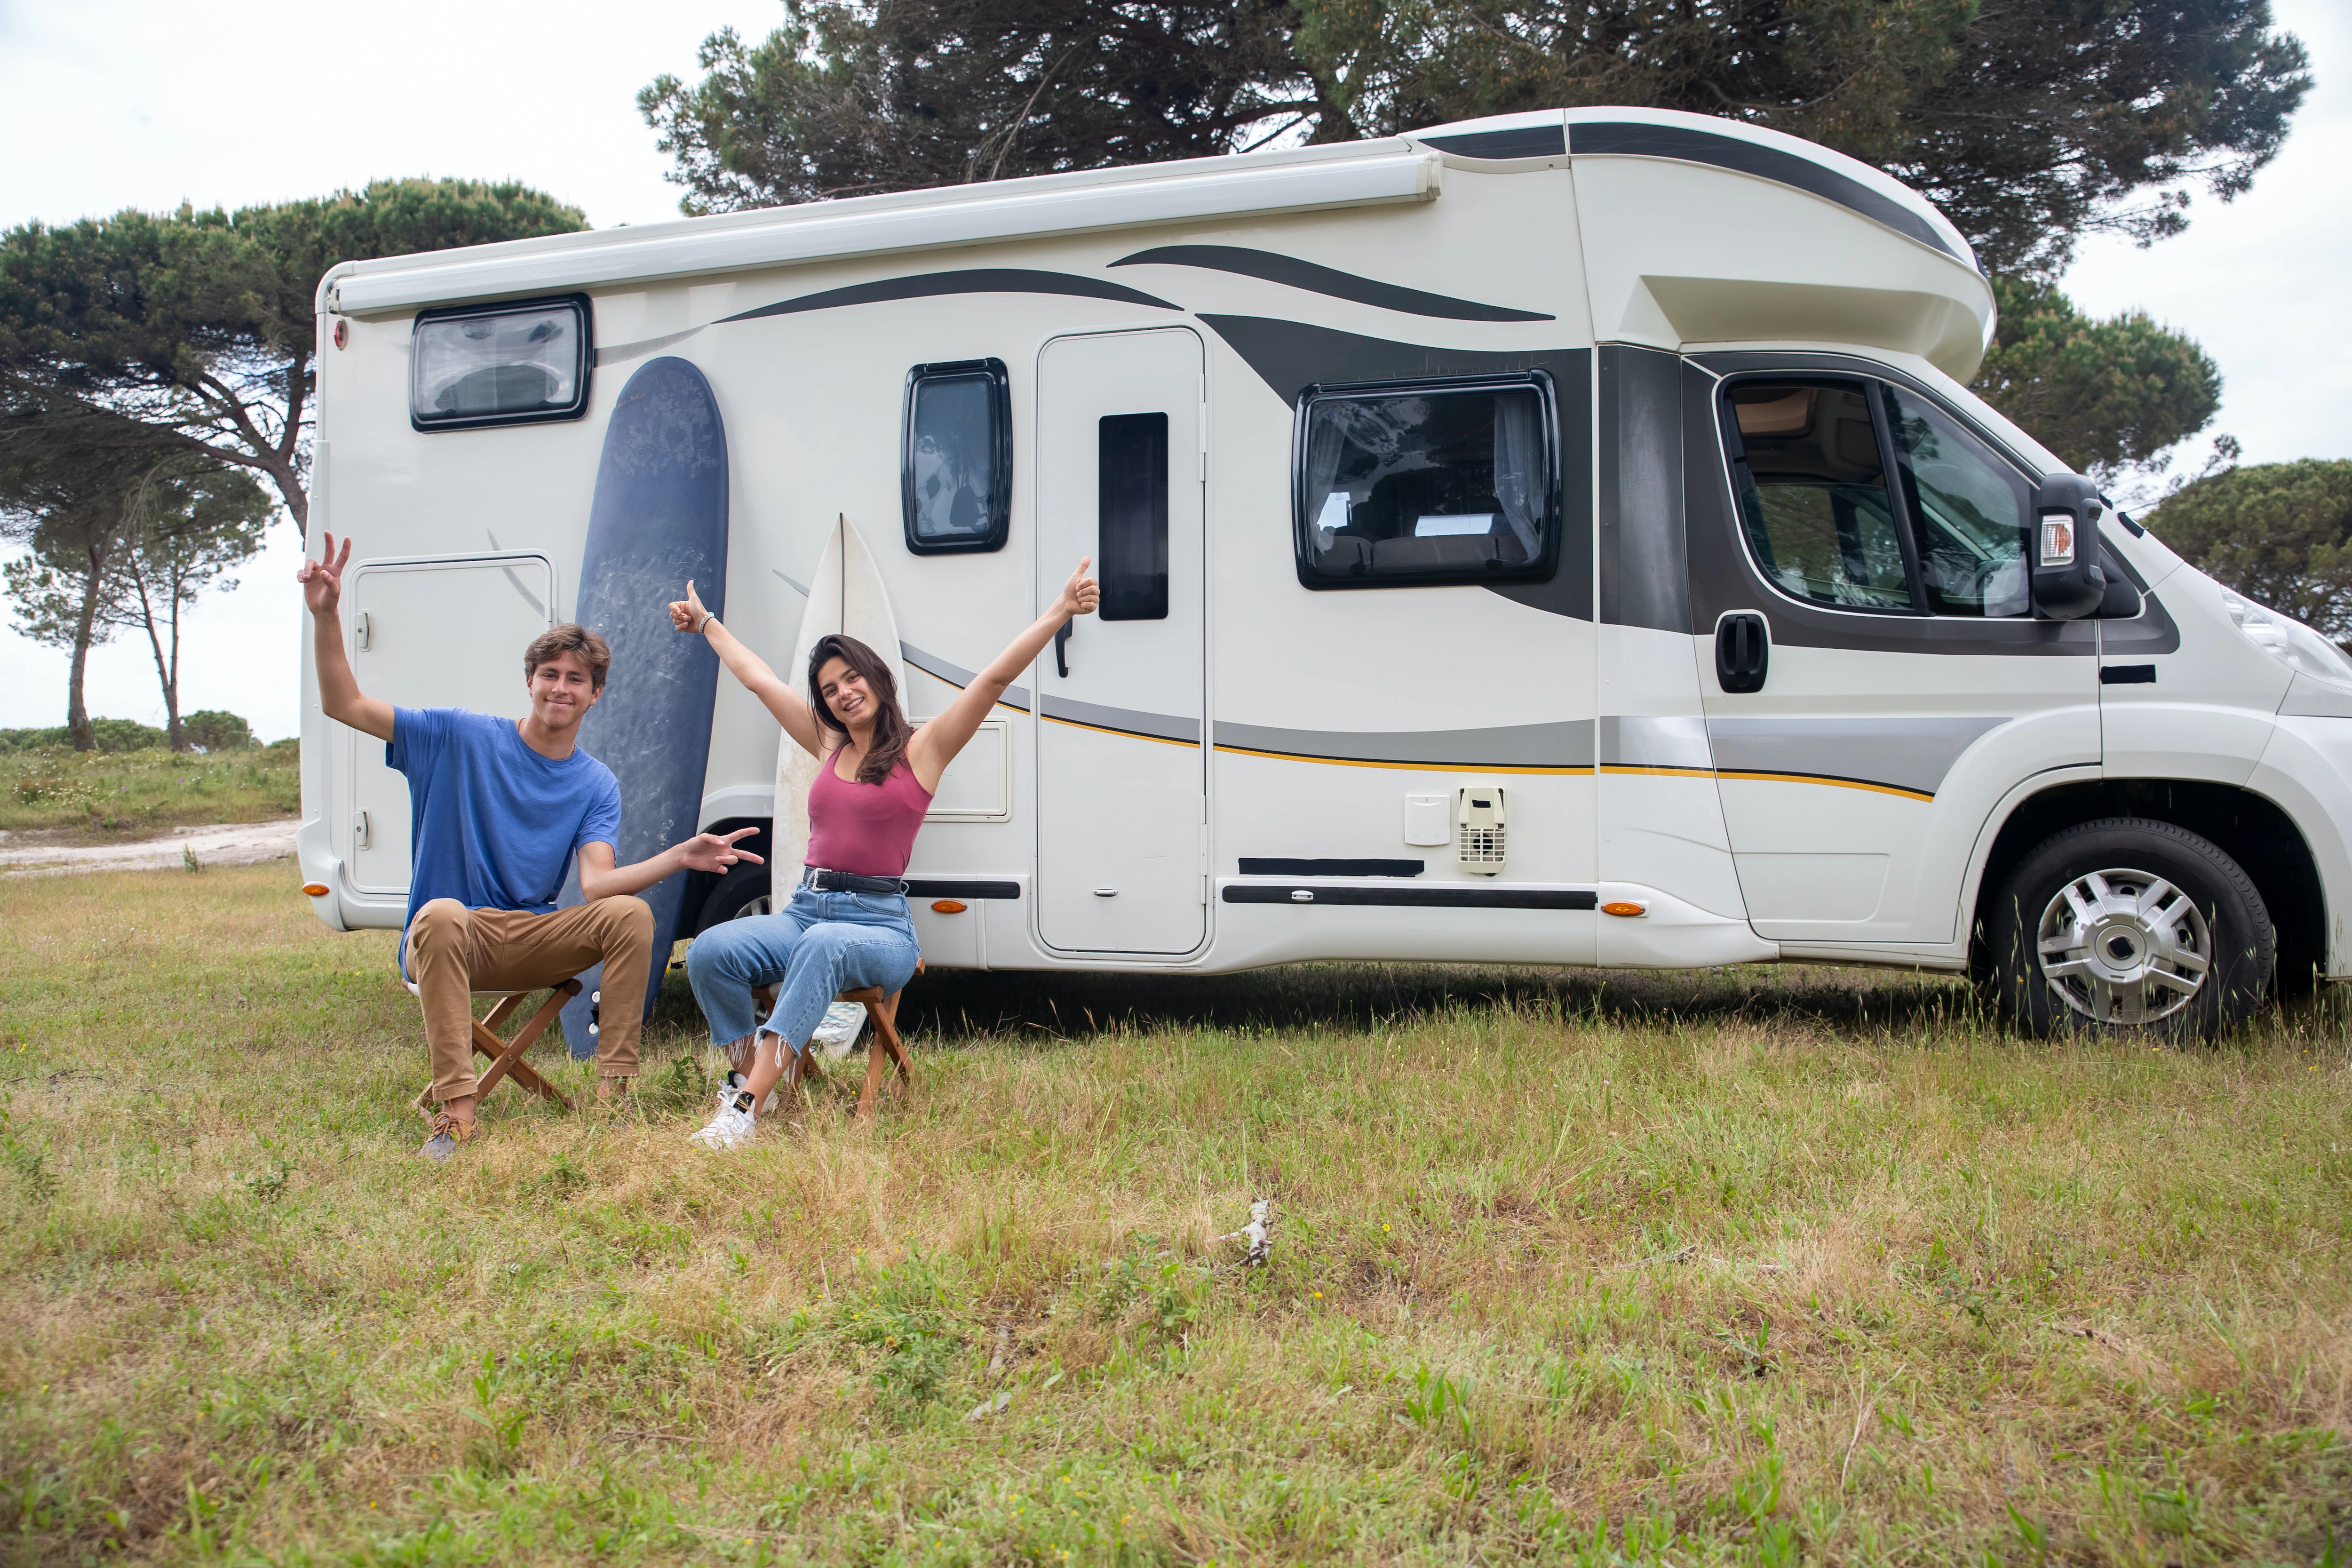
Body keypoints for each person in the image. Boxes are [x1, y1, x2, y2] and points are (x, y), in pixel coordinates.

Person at [300, 532, 764, 1159]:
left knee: (630, 913)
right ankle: (456, 1119)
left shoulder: (596, 782)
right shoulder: (456, 736)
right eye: (550, 674)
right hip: (449, 938)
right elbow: (343, 703)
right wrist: (327, 614)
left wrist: (681, 855)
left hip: (529, 938)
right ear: (530, 680)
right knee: (439, 914)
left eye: (577, 679)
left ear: (595, 694)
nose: (561, 688)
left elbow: (598, 885)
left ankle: (614, 1102)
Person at [670, 556, 1100, 1149]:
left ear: (875, 678)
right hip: (805, 912)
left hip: (878, 928)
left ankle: (746, 1107)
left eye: (851, 678)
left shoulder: (924, 751)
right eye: (828, 689)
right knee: (710, 951)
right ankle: (749, 1074)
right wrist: (707, 624)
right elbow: (760, 681)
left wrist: (1060, 611)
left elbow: (992, 681)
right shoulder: (826, 744)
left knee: (824, 946)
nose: (843, 693)